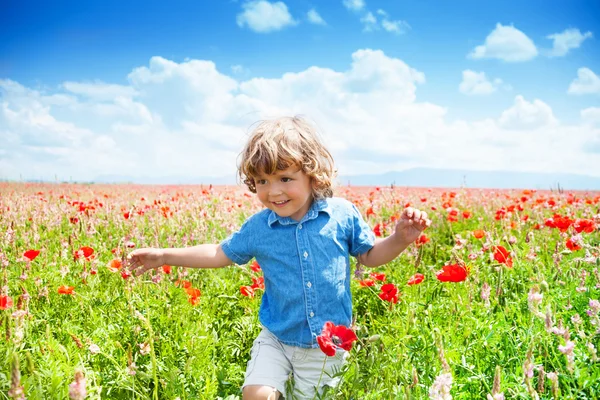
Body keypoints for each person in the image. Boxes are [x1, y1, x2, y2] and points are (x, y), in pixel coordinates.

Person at [127, 116, 431, 399]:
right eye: (262, 181)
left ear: (313, 175)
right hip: (276, 337)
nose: (273, 191)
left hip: (326, 345)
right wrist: (163, 255)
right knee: (256, 394)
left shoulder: (341, 214)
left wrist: (400, 238)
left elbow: (370, 255)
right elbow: (220, 253)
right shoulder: (260, 227)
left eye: (285, 179)